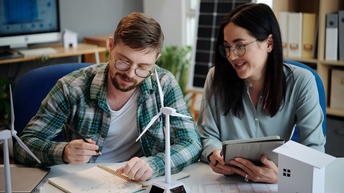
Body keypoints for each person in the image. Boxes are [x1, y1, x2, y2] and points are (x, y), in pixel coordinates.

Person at [14, 12, 201, 182]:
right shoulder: (72, 87)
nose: (131, 74)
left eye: (143, 67)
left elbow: (191, 142)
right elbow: (24, 146)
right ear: (110, 46)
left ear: (156, 58)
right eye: (123, 62)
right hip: (85, 181)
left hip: (140, 182)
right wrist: (63, 152)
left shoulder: (164, 83)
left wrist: (156, 164)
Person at [198, 3, 325, 184]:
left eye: (240, 46)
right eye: (227, 47)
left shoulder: (302, 81)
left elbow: (314, 152)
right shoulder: (216, 77)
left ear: (269, 43)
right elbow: (207, 134)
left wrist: (283, 175)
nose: (232, 56)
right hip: (227, 182)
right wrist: (214, 154)